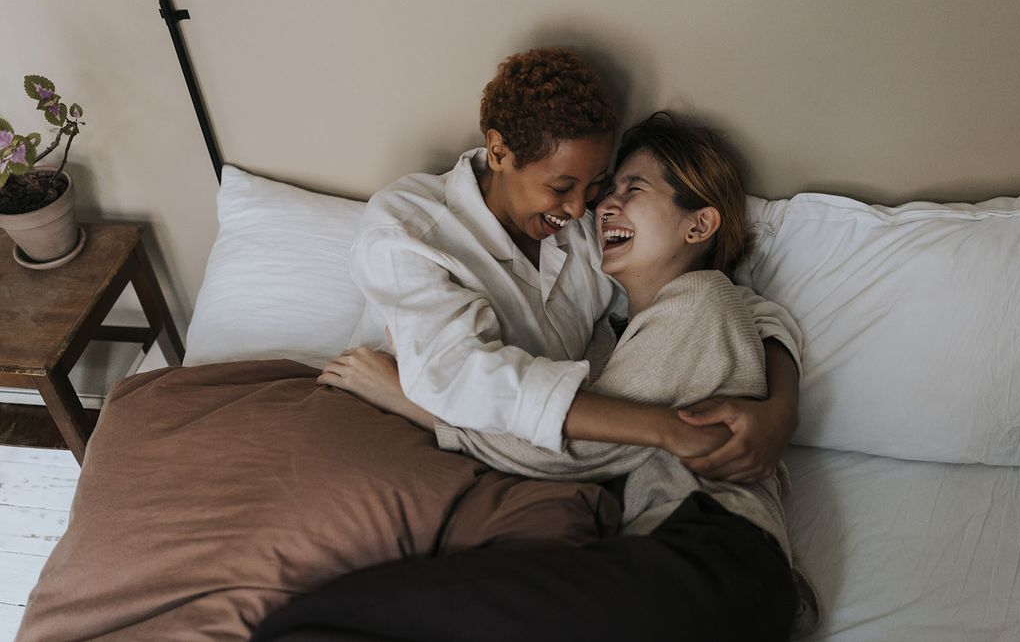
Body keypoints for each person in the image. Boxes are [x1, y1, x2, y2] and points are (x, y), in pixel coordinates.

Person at [255, 113, 818, 642]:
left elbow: (567, 454)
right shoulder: (613, 329)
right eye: (609, 190)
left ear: (700, 223)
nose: (602, 207)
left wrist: (410, 400)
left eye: (633, 190)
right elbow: (764, 319)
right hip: (666, 559)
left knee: (339, 615)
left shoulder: (701, 303)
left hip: (711, 557)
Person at [323, 46, 804, 483]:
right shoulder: (409, 230)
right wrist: (666, 430)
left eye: (596, 184)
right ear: (499, 151)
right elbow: (464, 379)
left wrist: (781, 411)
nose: (579, 209)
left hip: (521, 468)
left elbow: (722, 303)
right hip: (389, 429)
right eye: (561, 187)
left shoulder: (589, 231)